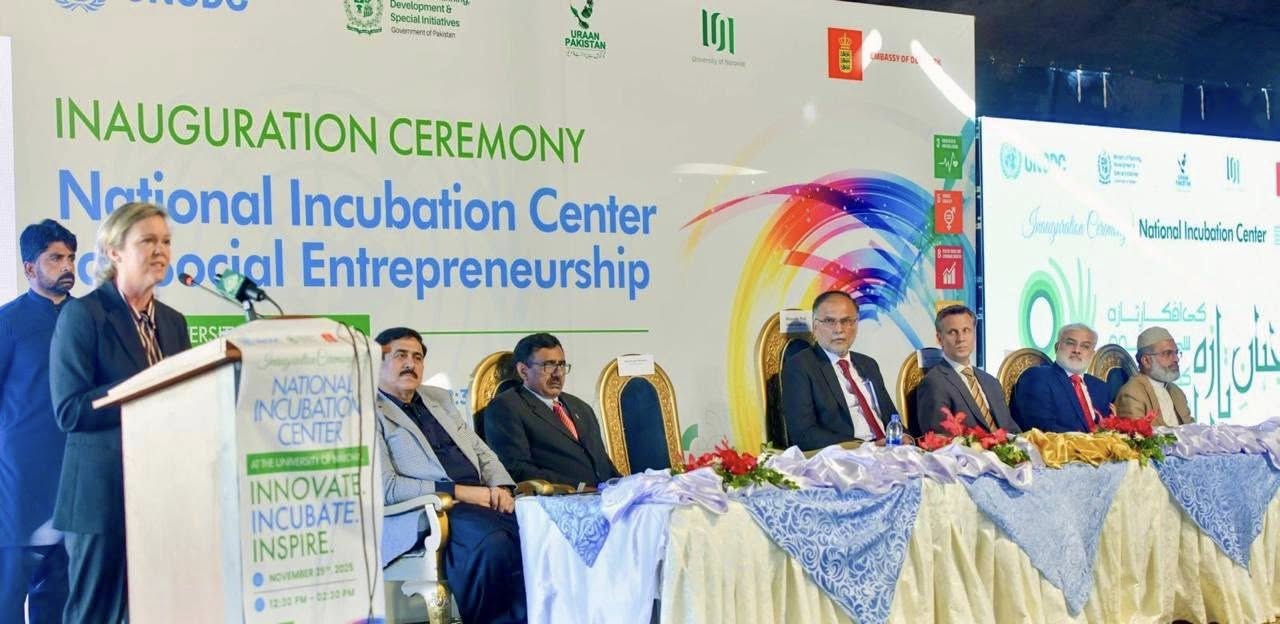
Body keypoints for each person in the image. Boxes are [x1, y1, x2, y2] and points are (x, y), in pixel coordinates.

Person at [49, 202, 190, 623]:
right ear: (114, 252)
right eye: (147, 241)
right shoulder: (84, 314)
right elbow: (70, 410)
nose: (160, 250)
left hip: (160, 495)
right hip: (100, 499)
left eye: (166, 241)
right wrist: (144, 388)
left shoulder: (174, 322)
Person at [373, 327, 525, 624]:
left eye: (417, 357)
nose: (411, 364)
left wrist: (502, 487)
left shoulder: (437, 399)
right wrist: (460, 492)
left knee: (536, 532)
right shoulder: (368, 411)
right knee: (494, 543)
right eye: (400, 355)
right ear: (376, 363)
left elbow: (482, 452)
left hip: (482, 501)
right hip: (430, 510)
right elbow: (388, 487)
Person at [0, 220, 77, 623]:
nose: (67, 266)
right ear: (30, 268)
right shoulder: (8, 322)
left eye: (71, 258)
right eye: (56, 258)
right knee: (8, 598)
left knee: (59, 602)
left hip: (74, 480)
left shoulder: (88, 319)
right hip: (19, 486)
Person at [484, 333, 620, 487]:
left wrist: (623, 485)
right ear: (523, 371)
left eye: (561, 365)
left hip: (607, 494)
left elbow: (601, 461)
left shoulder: (581, 407)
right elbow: (517, 469)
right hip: (561, 497)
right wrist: (580, 488)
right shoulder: (506, 408)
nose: (558, 374)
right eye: (548, 365)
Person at [782, 290, 898, 451]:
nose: (839, 329)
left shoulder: (868, 364)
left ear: (856, 324)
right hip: (848, 455)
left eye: (846, 321)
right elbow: (804, 434)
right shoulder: (800, 367)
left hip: (889, 450)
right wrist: (865, 447)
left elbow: (892, 417)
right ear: (815, 326)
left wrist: (905, 437)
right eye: (829, 321)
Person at [916, 305, 1021, 435]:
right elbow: (939, 439)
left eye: (966, 330)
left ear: (974, 334)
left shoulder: (991, 382)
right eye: (952, 332)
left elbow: (1012, 430)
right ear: (939, 339)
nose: (961, 338)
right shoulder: (934, 383)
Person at [1011, 323, 1112, 433]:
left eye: (1085, 346)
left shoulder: (1101, 388)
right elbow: (1041, 428)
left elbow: (1107, 428)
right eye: (1070, 343)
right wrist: (1090, 439)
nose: (1077, 350)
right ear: (1057, 347)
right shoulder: (1037, 377)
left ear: (1092, 354)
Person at [1114, 326, 1192, 427]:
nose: (1176, 359)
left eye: (1176, 353)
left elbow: (1191, 428)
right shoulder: (1132, 393)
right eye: (1167, 353)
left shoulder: (1176, 392)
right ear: (1146, 361)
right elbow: (1137, 435)